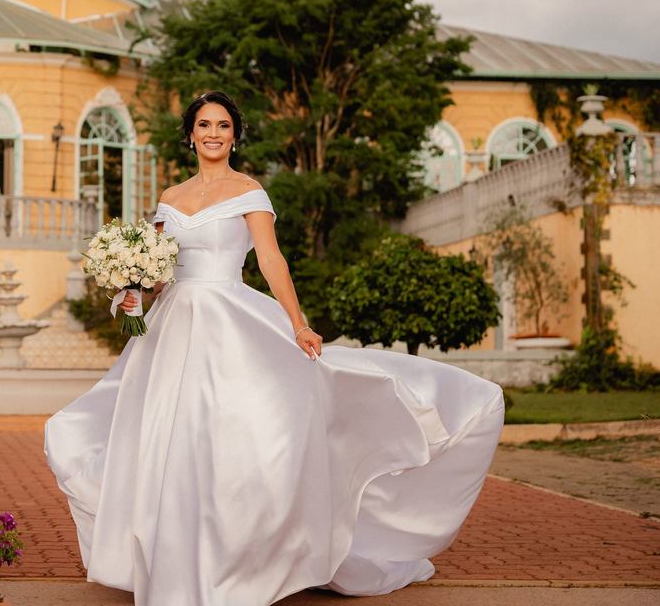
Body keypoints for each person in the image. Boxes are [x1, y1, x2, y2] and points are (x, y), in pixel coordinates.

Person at [44, 91, 504, 605]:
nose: (213, 133)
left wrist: (297, 323)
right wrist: (134, 291)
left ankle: (238, 559)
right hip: (173, 328)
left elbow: (270, 260)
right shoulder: (170, 198)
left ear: (234, 135)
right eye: (204, 125)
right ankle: (172, 556)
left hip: (229, 321)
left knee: (240, 436)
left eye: (223, 125)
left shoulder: (249, 191)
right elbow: (159, 273)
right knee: (167, 439)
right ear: (190, 135)